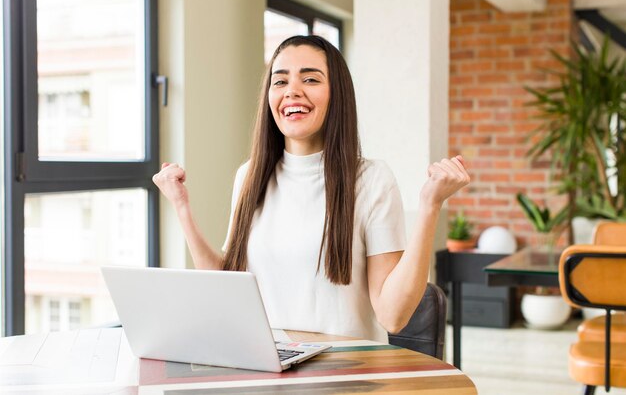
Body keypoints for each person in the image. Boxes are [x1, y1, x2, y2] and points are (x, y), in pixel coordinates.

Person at [152, 35, 470, 343]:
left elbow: (393, 316)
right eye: (280, 81)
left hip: (346, 375)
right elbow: (226, 289)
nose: (292, 92)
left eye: (310, 79)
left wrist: (430, 206)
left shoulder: (372, 180)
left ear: (337, 94)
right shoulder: (249, 176)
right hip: (271, 370)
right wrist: (181, 207)